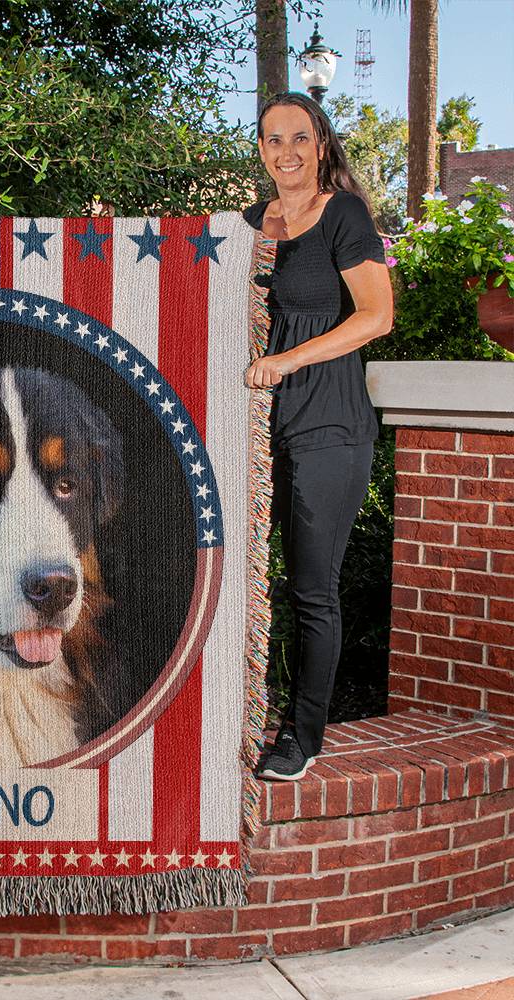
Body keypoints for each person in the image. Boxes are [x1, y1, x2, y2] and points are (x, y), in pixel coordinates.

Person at [243, 92, 393, 781]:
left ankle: (300, 739)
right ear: (263, 149)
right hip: (254, 430)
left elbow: (377, 317)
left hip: (328, 427)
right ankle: (237, 717)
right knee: (242, 583)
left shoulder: (343, 215)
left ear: (322, 144)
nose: (287, 152)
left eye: (300, 138)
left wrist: (288, 360)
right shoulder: (251, 223)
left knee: (311, 590)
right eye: (274, 140)